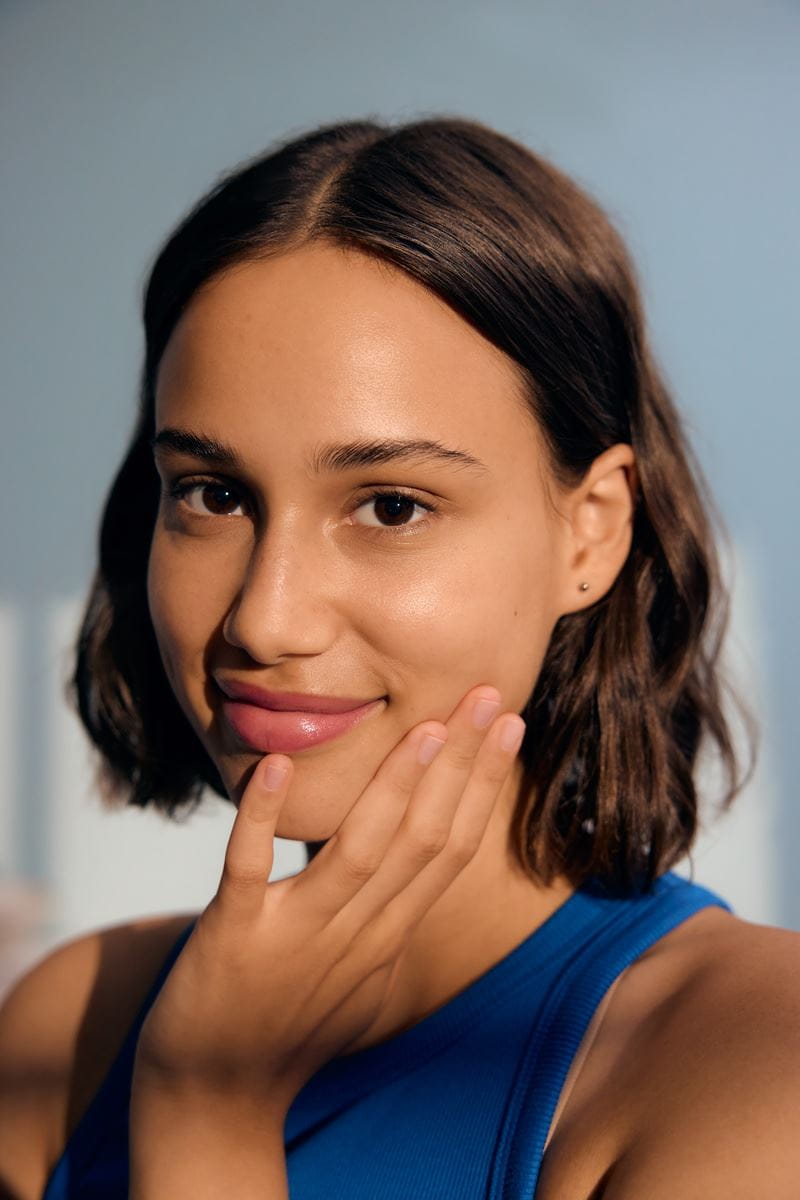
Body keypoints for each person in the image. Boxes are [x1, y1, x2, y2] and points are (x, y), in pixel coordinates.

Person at [0, 115, 797, 1200]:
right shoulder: (73, 1025)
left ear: (591, 532)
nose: (265, 620)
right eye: (212, 493)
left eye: (389, 505)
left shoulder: (748, 1058)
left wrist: (208, 1115)